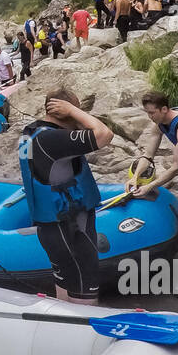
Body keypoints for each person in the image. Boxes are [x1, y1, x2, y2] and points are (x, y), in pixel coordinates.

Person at [18, 88, 114, 303]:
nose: (79, 115)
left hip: (53, 227)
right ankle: (86, 332)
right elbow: (104, 134)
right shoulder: (52, 140)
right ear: (63, 111)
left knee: (65, 284)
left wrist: (72, 112)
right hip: (71, 227)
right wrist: (72, 110)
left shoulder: (32, 133)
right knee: (84, 284)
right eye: (76, 110)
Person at [135, 91, 178, 198]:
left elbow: (177, 167)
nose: (150, 117)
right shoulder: (160, 124)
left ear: (164, 109)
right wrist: (135, 177)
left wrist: (149, 186)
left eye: (152, 113)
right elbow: (148, 155)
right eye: (147, 113)